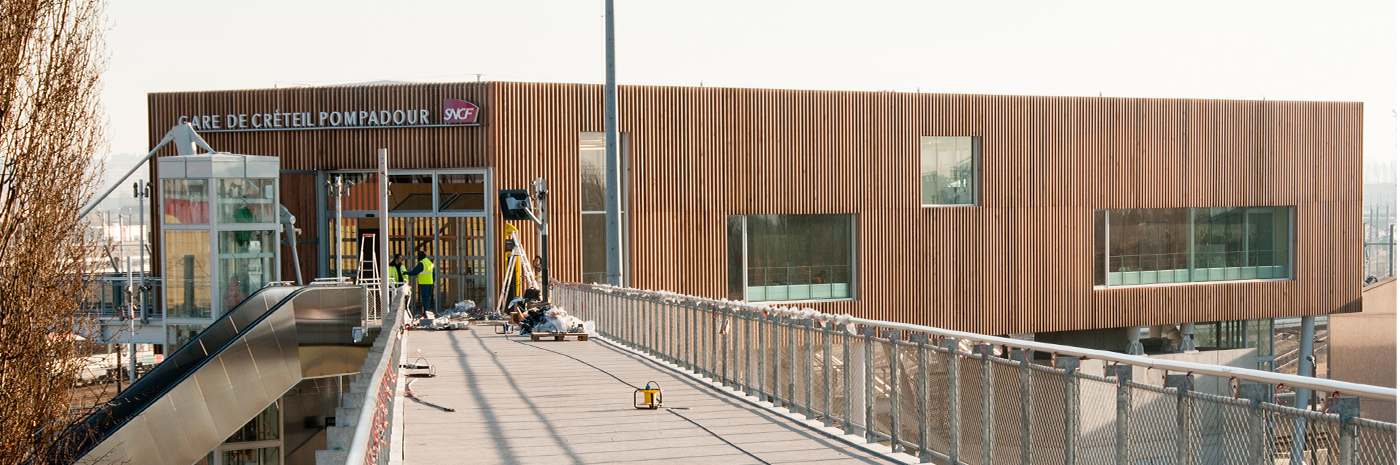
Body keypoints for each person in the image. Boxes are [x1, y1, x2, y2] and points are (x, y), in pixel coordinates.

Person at [406, 251, 434, 316]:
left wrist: (406, 273)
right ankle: (427, 311)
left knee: (425, 298)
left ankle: (426, 312)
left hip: (424, 283)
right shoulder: (429, 262)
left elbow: (415, 272)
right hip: (429, 282)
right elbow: (433, 273)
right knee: (427, 298)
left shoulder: (422, 263)